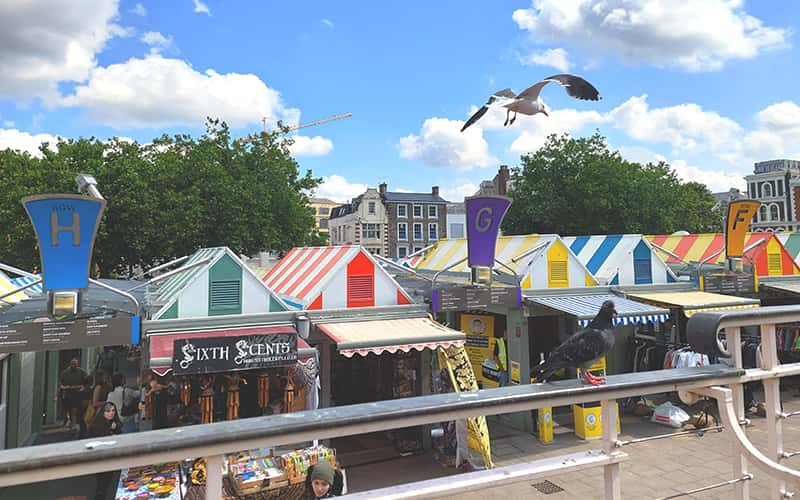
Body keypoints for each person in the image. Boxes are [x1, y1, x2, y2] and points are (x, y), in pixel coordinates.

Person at [89, 402, 122, 500]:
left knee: (106, 483)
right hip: (101, 459)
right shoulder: (97, 425)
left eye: (113, 411)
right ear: (103, 412)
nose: (111, 413)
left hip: (111, 458)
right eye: (108, 411)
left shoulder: (115, 423)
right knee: (101, 484)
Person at [57, 358, 88, 432]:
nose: (73, 365)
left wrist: (81, 387)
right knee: (68, 410)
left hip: (77, 394)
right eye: (72, 364)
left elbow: (87, 382)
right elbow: (60, 384)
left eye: (75, 364)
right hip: (67, 394)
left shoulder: (82, 372)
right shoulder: (65, 372)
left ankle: (73, 425)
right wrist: (63, 388)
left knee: (74, 410)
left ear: (77, 364)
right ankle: (70, 422)